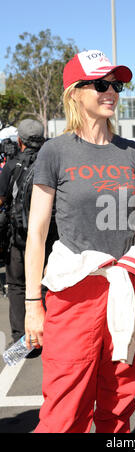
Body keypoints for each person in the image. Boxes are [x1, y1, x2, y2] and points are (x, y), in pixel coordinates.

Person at [24, 49, 135, 433]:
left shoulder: (134, 154)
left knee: (119, 402)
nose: (111, 91)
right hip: (73, 292)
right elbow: (37, 232)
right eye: (100, 84)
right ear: (75, 92)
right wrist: (32, 305)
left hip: (124, 289)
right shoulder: (54, 152)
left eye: (116, 84)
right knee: (65, 409)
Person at [0, 119, 45, 344]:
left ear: (20, 140)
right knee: (47, 285)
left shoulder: (11, 165)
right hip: (49, 238)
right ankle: (48, 334)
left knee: (17, 285)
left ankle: (21, 340)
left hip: (19, 237)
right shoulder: (51, 162)